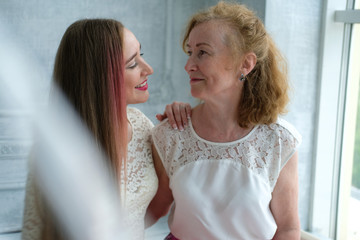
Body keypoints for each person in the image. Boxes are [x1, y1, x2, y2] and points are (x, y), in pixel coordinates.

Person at [147, 2, 302, 239]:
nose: (189, 65)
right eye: (190, 52)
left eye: (203, 52)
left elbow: (288, 228)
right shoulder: (170, 133)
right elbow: (156, 208)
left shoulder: (279, 140)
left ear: (246, 64)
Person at [21, 19, 186, 240]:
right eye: (132, 64)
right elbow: (35, 232)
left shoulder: (141, 124)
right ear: (99, 77)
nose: (148, 69)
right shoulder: (51, 151)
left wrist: (175, 130)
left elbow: (157, 206)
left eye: (141, 55)